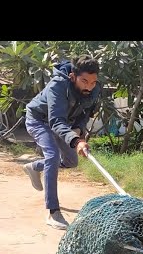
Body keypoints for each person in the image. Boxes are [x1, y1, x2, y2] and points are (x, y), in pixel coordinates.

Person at [23, 55, 101, 230]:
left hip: (65, 124)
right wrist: (76, 141)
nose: (88, 86)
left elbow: (84, 115)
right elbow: (56, 122)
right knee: (52, 155)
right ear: (73, 76)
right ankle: (53, 212)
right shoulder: (57, 86)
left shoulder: (94, 90)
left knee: (71, 162)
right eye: (84, 81)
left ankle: (34, 166)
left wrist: (79, 132)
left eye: (93, 82)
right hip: (40, 120)